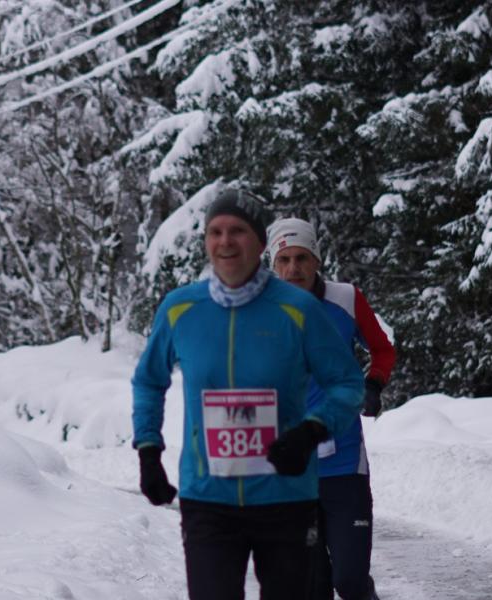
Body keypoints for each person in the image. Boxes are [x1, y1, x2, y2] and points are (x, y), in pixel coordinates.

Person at [131, 188, 365, 600]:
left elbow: (346, 383)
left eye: (237, 231)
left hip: (285, 495)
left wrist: (311, 431)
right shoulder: (180, 309)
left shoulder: (298, 309)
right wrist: (149, 451)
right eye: (215, 232)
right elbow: (149, 380)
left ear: (260, 243)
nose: (225, 241)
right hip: (208, 498)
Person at [267, 217, 396, 600]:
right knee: (313, 586)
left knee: (350, 581)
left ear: (317, 260)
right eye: (284, 259)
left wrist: (373, 385)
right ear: (273, 265)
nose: (293, 268)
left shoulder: (346, 299)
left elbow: (382, 349)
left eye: (302, 258)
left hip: (344, 466)